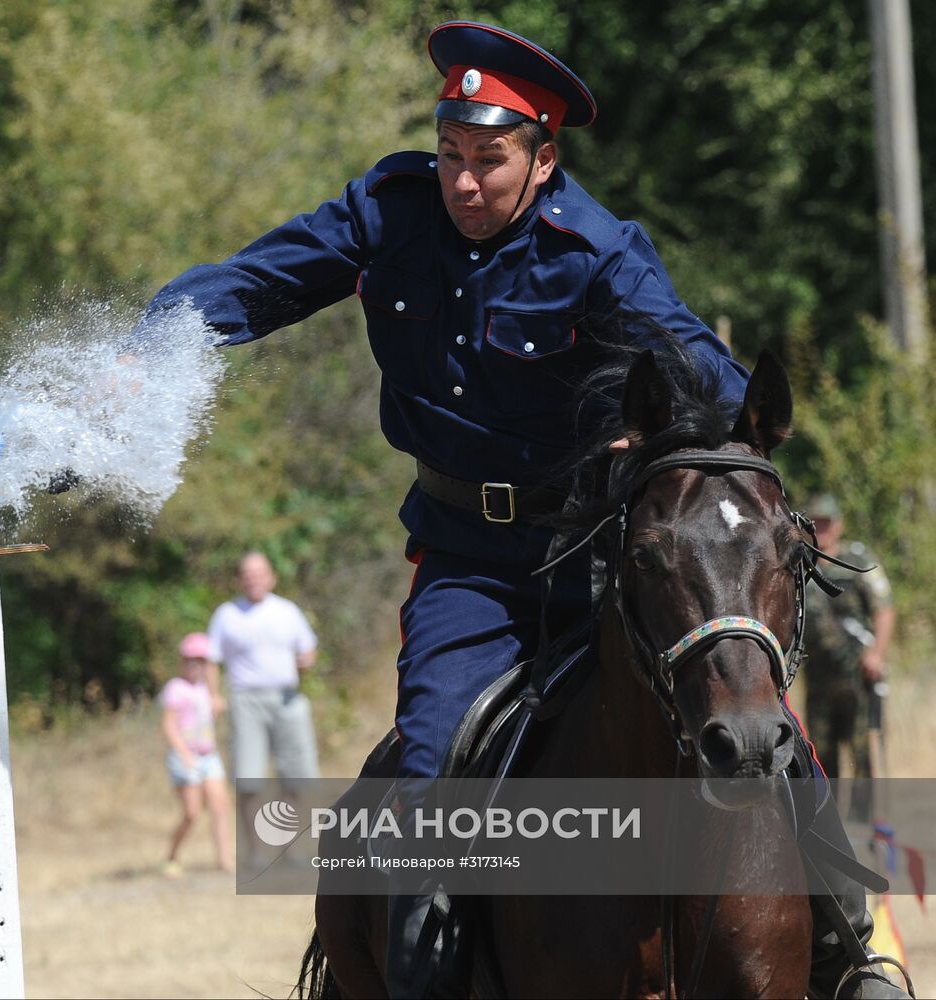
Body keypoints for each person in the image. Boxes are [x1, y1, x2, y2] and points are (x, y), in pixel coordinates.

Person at [137, 20, 907, 999]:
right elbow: (259, 281)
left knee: (762, 726)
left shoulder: (595, 251)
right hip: (467, 563)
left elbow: (685, 351)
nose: (462, 182)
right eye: (450, 154)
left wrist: (730, 425)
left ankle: (856, 951)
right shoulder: (386, 209)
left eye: (488, 161)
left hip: (602, 554)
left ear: (543, 158)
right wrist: (151, 343)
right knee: (424, 765)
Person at [205, 552, 319, 853]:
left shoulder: (287, 611)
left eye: (259, 572)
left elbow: (307, 649)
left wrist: (306, 660)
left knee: (296, 776)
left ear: (271, 577)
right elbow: (210, 659)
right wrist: (214, 695)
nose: (253, 578)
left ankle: (286, 845)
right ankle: (256, 851)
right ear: (239, 579)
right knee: (248, 780)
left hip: (287, 698)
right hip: (246, 702)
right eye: (247, 573)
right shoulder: (226, 614)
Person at [803, 493, 896, 819]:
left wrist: (877, 654)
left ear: (839, 524)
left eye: (827, 522)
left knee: (863, 755)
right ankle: (830, 824)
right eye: (815, 522)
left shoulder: (857, 560)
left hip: (858, 677)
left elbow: (884, 609)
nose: (822, 529)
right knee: (820, 756)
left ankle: (866, 825)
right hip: (818, 682)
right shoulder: (802, 563)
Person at [159, 632, 233, 875]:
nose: (195, 665)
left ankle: (224, 861)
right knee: (191, 812)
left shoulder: (207, 692)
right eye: (190, 660)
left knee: (220, 806)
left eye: (202, 661)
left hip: (208, 756)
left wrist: (215, 693)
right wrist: (183, 754)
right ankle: (172, 856)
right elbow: (169, 725)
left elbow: (216, 709)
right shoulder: (176, 689)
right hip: (185, 756)